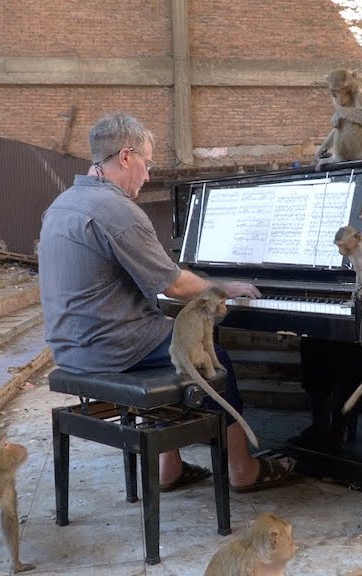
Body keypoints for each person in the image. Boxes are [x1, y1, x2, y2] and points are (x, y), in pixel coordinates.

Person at [39, 112, 296, 493]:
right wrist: (222, 286)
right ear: (126, 157)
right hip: (110, 348)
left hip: (70, 348)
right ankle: (242, 469)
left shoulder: (62, 203)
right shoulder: (116, 209)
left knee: (167, 337)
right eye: (146, 163)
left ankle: (169, 468)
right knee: (210, 357)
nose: (147, 175)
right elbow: (174, 285)